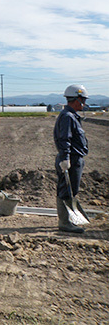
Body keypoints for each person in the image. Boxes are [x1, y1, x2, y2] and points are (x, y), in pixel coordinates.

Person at [54, 84, 89, 233]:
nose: (85, 103)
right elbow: (64, 139)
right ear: (77, 100)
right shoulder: (67, 117)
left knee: (68, 189)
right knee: (67, 190)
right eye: (83, 100)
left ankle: (66, 220)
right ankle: (65, 222)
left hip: (74, 158)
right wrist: (65, 158)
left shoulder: (71, 116)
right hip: (71, 159)